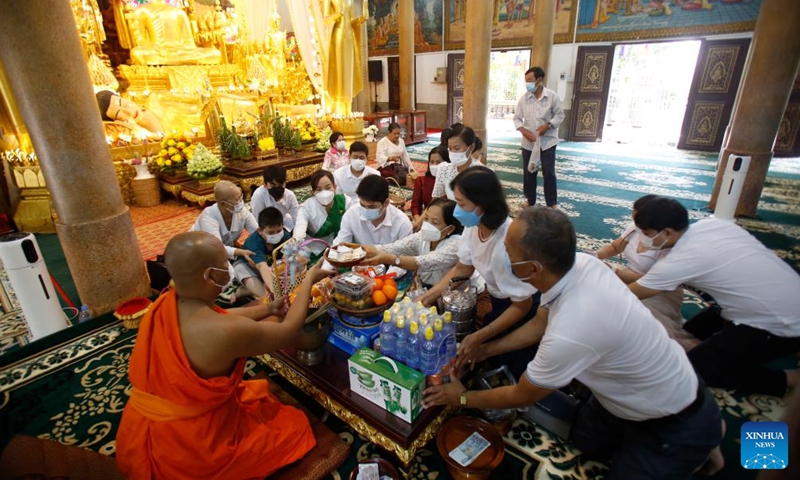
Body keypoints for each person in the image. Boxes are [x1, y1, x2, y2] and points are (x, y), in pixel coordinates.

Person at [422, 207, 724, 480]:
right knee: (585, 441)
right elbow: (540, 323)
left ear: (533, 268)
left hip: (672, 418)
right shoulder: (581, 264)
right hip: (631, 392)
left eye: (509, 252)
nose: (502, 254)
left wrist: (461, 398)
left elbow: (520, 394)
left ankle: (702, 439)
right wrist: (484, 346)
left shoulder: (571, 329)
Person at [116, 231, 334, 479]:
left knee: (259, 401)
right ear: (209, 275)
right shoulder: (221, 332)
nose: (229, 268)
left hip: (136, 430)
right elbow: (287, 332)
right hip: (187, 448)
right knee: (294, 426)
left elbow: (222, 317)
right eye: (225, 264)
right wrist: (309, 281)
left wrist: (268, 308)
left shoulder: (164, 303)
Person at [628, 198, 800, 396]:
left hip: (778, 321)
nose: (643, 238)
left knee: (696, 370)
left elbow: (630, 294)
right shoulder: (714, 224)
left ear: (667, 232)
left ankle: (789, 378)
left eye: (646, 234)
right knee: (692, 332)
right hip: (787, 293)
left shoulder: (680, 261)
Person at [418, 166, 538, 379]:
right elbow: (463, 267)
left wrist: (484, 334)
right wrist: (428, 297)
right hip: (500, 298)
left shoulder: (505, 244)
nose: (457, 210)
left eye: (461, 204)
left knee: (512, 364)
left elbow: (522, 304)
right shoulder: (474, 226)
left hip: (520, 307)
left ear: (482, 204)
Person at [594, 194, 698, 351]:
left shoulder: (671, 246)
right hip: (628, 278)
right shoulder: (638, 227)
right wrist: (595, 256)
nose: (636, 222)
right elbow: (615, 247)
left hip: (659, 291)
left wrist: (614, 272)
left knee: (635, 316)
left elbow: (651, 282)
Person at [362, 198, 465, 287]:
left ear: (450, 229)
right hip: (429, 288)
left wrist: (390, 259)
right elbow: (396, 247)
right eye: (426, 218)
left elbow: (425, 262)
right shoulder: (422, 237)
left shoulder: (456, 244)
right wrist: (360, 250)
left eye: (435, 222)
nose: (427, 225)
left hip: (457, 297)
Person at [189, 180, 258, 302]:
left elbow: (257, 231)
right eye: (237, 200)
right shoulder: (208, 216)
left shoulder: (241, 211)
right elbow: (217, 248)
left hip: (227, 249)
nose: (241, 202)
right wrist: (240, 252)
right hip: (202, 253)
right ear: (223, 204)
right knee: (228, 274)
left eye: (241, 197)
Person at [514, 66, 565, 208]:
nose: (527, 84)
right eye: (526, 81)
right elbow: (517, 119)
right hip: (528, 143)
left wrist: (548, 125)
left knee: (549, 172)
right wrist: (524, 131)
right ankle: (530, 200)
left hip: (547, 141)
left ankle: (552, 203)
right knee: (529, 172)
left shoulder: (552, 96)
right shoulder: (524, 99)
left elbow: (560, 115)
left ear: (539, 80)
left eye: (530, 80)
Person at [333, 174, 412, 246]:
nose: (366, 210)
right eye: (362, 205)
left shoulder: (402, 224)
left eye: (372, 207)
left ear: (386, 203)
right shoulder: (352, 214)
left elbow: (405, 257)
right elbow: (341, 243)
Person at [235, 207, 292, 299]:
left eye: (278, 231)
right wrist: (276, 293)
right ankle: (245, 290)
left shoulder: (284, 236)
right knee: (267, 296)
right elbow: (262, 267)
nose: (276, 235)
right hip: (252, 267)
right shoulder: (253, 243)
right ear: (260, 231)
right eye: (271, 233)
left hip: (271, 267)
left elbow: (289, 255)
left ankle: (252, 290)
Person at [293, 169, 352, 247]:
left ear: (335, 187)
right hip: (315, 249)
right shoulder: (306, 207)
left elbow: (352, 226)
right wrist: (296, 245)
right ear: (313, 192)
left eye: (328, 188)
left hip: (342, 244)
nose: (324, 193)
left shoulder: (345, 201)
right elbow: (300, 229)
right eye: (318, 190)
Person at [432, 124, 484, 201]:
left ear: (471, 148)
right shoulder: (444, 168)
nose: (452, 152)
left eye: (457, 148)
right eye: (450, 148)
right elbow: (435, 199)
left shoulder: (481, 173)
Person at [250, 164, 299, 232]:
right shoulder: (258, 195)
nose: (277, 188)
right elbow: (257, 220)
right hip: (266, 228)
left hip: (283, 223)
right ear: (265, 184)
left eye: (281, 185)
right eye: (272, 185)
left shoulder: (290, 196)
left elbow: (297, 218)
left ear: (285, 183)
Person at [411, 147, 449, 231]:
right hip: (426, 220)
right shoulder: (422, 181)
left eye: (438, 162)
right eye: (432, 162)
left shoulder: (450, 183)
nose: (434, 165)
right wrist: (419, 222)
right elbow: (415, 206)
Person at [96, 90, 163, 133]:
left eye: (125, 105)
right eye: (120, 115)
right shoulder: (131, 138)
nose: (130, 112)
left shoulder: (158, 105)